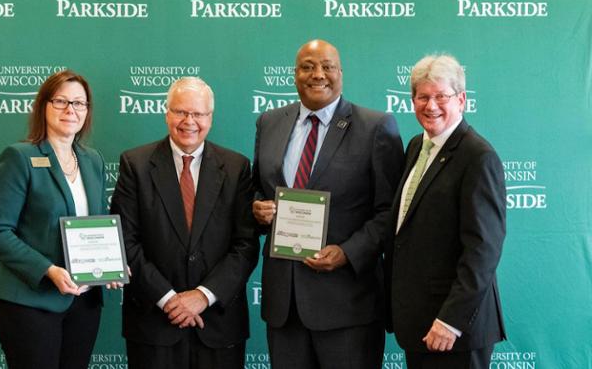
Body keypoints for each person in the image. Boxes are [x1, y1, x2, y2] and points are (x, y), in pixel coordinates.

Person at [252, 39, 405, 368]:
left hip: (347, 304)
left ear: (341, 73)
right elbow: (256, 189)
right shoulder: (269, 122)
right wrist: (258, 210)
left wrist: (349, 253)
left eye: (327, 66)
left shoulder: (375, 126)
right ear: (294, 75)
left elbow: (391, 210)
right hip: (285, 305)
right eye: (307, 66)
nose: (317, 74)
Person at [110, 77, 259, 369]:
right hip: (154, 323)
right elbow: (125, 240)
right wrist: (168, 299)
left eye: (198, 114)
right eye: (180, 112)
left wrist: (203, 296)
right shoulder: (135, 164)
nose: (189, 121)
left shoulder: (236, 167)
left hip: (218, 323)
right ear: (166, 113)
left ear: (210, 118)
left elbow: (246, 244)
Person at [0, 70, 121, 369]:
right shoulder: (19, 157)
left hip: (83, 302)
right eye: (61, 101)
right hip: (30, 302)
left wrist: (112, 263)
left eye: (79, 103)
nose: (71, 110)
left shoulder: (92, 160)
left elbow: (98, 223)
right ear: (43, 106)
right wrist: (48, 270)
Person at [386, 54, 506, 369]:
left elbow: (483, 250)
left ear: (462, 99)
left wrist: (450, 320)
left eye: (442, 96)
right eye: (423, 97)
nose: (431, 105)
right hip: (419, 324)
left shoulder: (477, 156)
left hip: (455, 331)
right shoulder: (416, 146)